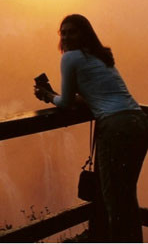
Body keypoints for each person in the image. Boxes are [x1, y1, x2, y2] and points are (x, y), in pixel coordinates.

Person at [34, 14, 148, 243]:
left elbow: (65, 103)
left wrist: (48, 95)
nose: (66, 36)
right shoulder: (99, 57)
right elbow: (93, 96)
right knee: (126, 195)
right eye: (62, 32)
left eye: (71, 31)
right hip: (138, 122)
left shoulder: (70, 58)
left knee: (113, 199)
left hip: (114, 127)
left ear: (84, 33)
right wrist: (56, 95)